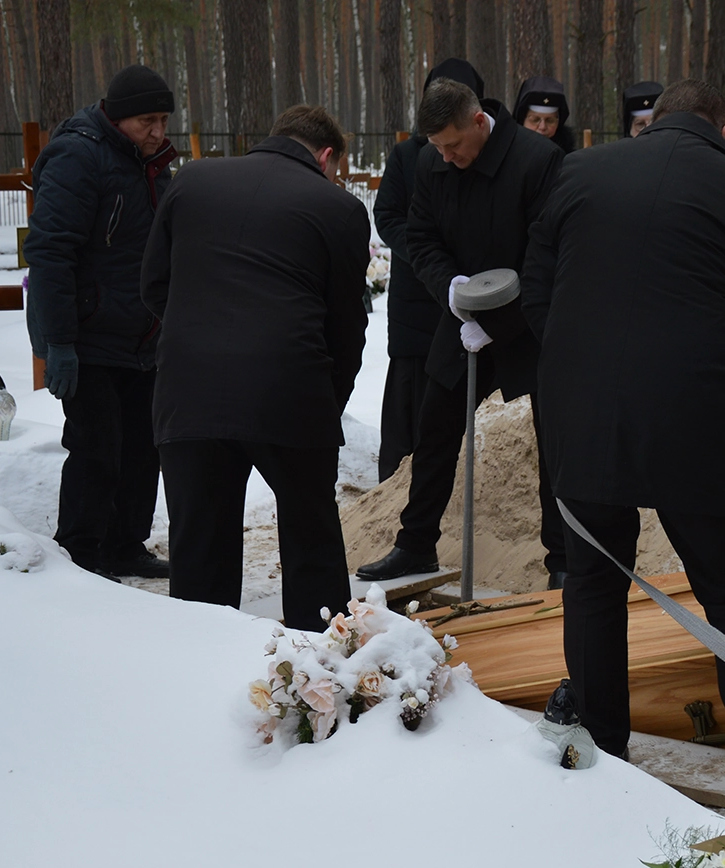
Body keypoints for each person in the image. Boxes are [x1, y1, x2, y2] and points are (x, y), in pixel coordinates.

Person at [523, 79, 725, 825]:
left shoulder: (579, 172)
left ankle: (604, 752)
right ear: (724, 128)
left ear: (655, 120)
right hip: (697, 415)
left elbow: (537, 294)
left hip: (586, 416)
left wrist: (571, 385)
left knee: (593, 582)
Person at [142, 106, 368, 631]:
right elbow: (345, 325)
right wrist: (325, 400)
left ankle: (200, 657)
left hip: (189, 393)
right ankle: (319, 660)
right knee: (311, 542)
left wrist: (199, 336)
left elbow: (153, 285)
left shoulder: (192, 180)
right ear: (326, 156)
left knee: (199, 550)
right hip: (289, 388)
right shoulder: (338, 207)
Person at [355, 78, 567, 588]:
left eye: (453, 145)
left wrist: (498, 321)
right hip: (464, 316)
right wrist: (451, 289)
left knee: (555, 442)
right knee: (434, 430)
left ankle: (563, 559)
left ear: (477, 121)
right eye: (437, 148)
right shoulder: (433, 163)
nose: (447, 158)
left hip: (532, 321)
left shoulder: (538, 160)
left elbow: (548, 254)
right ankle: (415, 544)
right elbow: (422, 237)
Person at [25, 64, 178, 580]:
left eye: (163, 120)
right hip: (88, 338)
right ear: (117, 117)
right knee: (96, 449)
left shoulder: (150, 163)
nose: (157, 132)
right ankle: (82, 552)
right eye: (146, 122)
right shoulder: (78, 156)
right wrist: (59, 342)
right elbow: (50, 253)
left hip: (142, 337)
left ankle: (125, 544)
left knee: (142, 449)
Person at [373, 58, 486, 483]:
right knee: (410, 400)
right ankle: (397, 484)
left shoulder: (485, 154)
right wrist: (428, 258)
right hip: (417, 301)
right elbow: (388, 215)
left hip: (474, 299)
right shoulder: (407, 155)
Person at [512, 76, 577, 155]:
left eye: (550, 121)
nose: (542, 127)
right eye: (535, 120)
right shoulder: (507, 155)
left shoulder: (567, 159)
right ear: (522, 121)